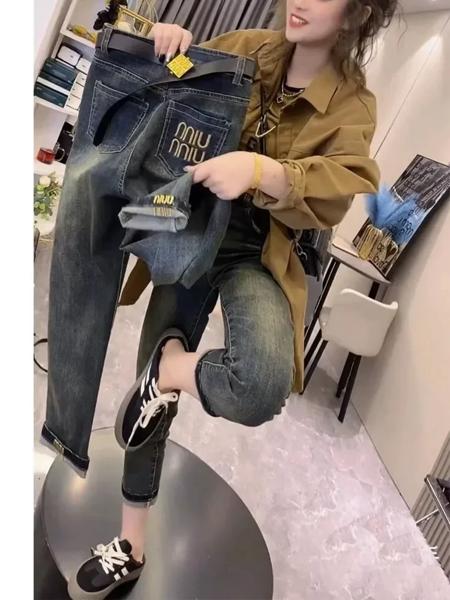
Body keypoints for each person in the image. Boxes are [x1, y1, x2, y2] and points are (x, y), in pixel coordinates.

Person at [68, 1, 397, 598]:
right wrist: (169, 45)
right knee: (150, 408)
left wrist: (264, 171)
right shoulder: (247, 46)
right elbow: (175, 91)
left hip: (260, 250)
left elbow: (340, 188)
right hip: (191, 228)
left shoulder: (354, 104)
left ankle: (167, 371)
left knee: (260, 384)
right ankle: (130, 546)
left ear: (360, 11)